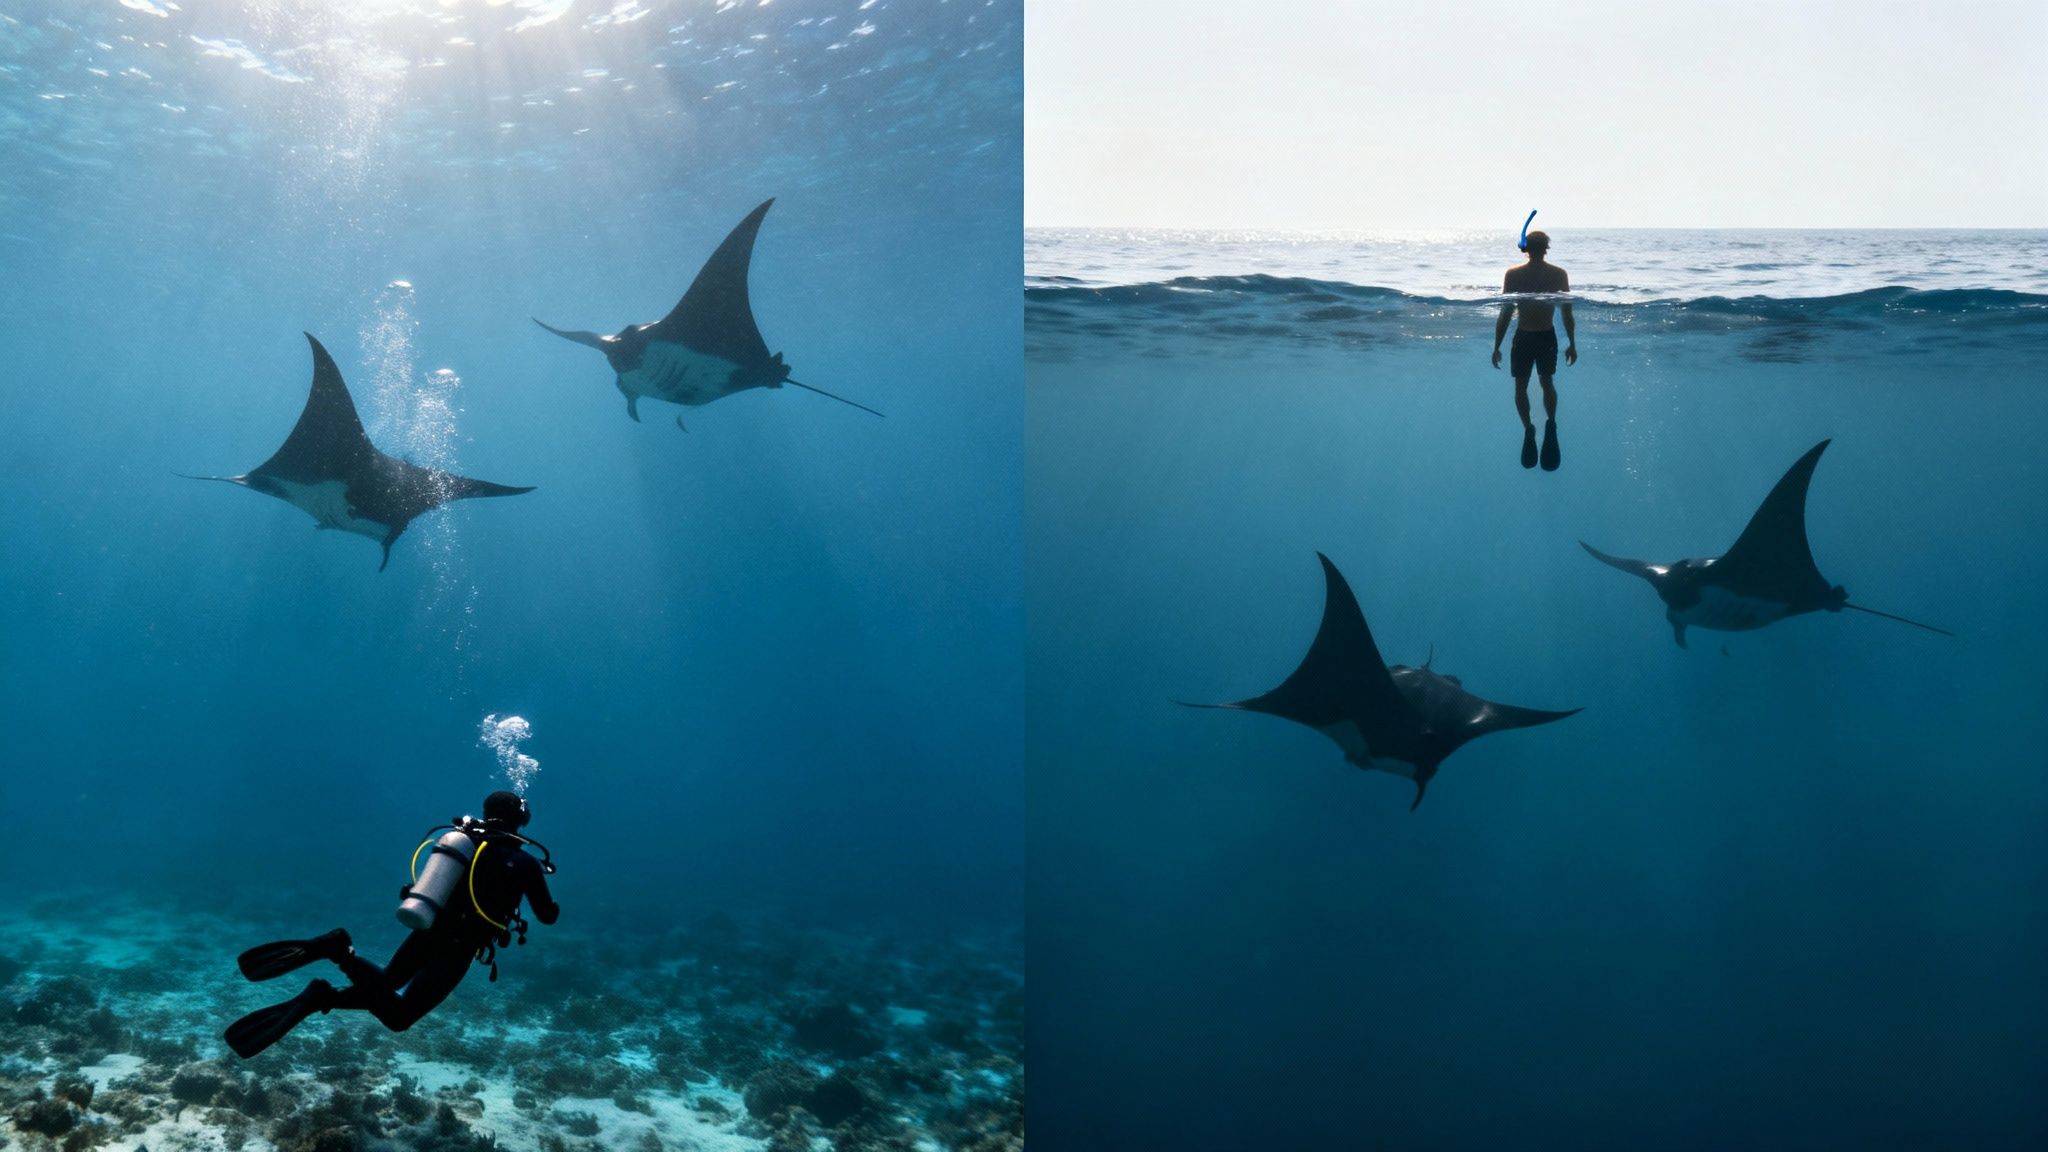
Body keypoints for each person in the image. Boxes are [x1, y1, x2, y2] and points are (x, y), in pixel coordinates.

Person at [225, 791, 559, 1058]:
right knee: (399, 1017)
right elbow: (546, 915)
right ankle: (337, 956)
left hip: (426, 931)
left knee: (383, 987)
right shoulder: (525, 862)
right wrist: (548, 901)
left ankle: (321, 992)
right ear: (522, 819)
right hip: (460, 947)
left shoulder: (464, 843)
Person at [1490, 230, 1576, 471]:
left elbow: (1505, 313)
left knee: (1522, 387)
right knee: (1546, 381)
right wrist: (1572, 343)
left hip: (1526, 336)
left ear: (1525, 248)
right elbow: (1567, 314)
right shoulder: (1558, 274)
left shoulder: (1515, 274)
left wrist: (1496, 346)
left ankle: (1530, 427)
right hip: (1542, 336)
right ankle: (1550, 423)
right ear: (1546, 248)